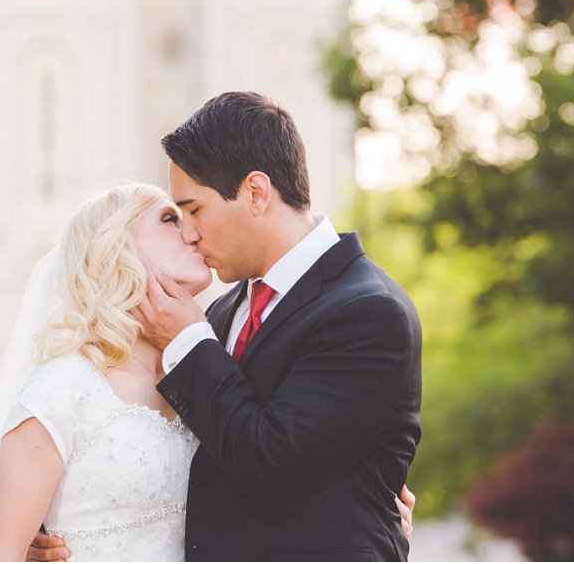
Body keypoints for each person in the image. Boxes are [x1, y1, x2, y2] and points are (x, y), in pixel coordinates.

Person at [0, 179, 416, 561]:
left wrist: (367, 495)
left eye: (190, 213)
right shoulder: (62, 389)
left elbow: (275, 439)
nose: (192, 233)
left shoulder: (205, 351)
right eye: (171, 219)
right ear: (116, 250)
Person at [133, 91, 423, 561]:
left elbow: (267, 462)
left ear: (255, 193)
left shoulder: (370, 312)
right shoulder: (221, 313)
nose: (188, 233)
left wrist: (188, 342)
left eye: (195, 210)